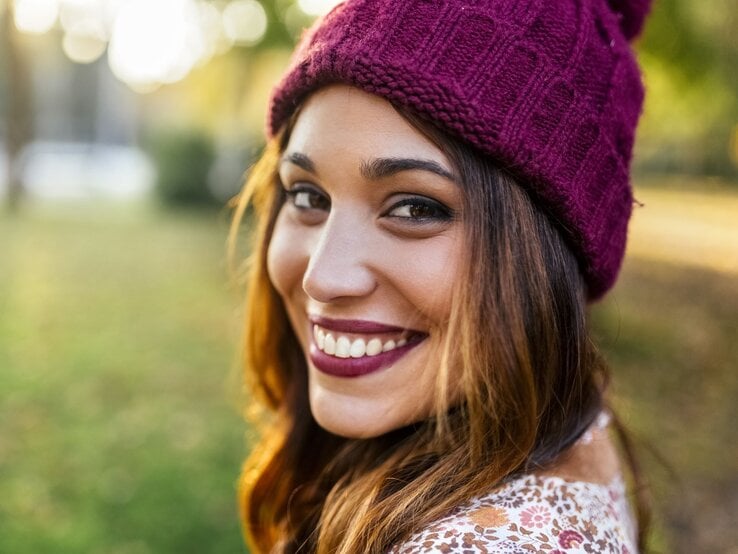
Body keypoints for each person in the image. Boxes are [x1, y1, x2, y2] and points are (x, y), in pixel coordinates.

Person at [228, 0, 653, 552]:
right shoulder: (567, 430)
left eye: (415, 209)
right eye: (307, 196)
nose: (322, 278)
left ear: (546, 253)